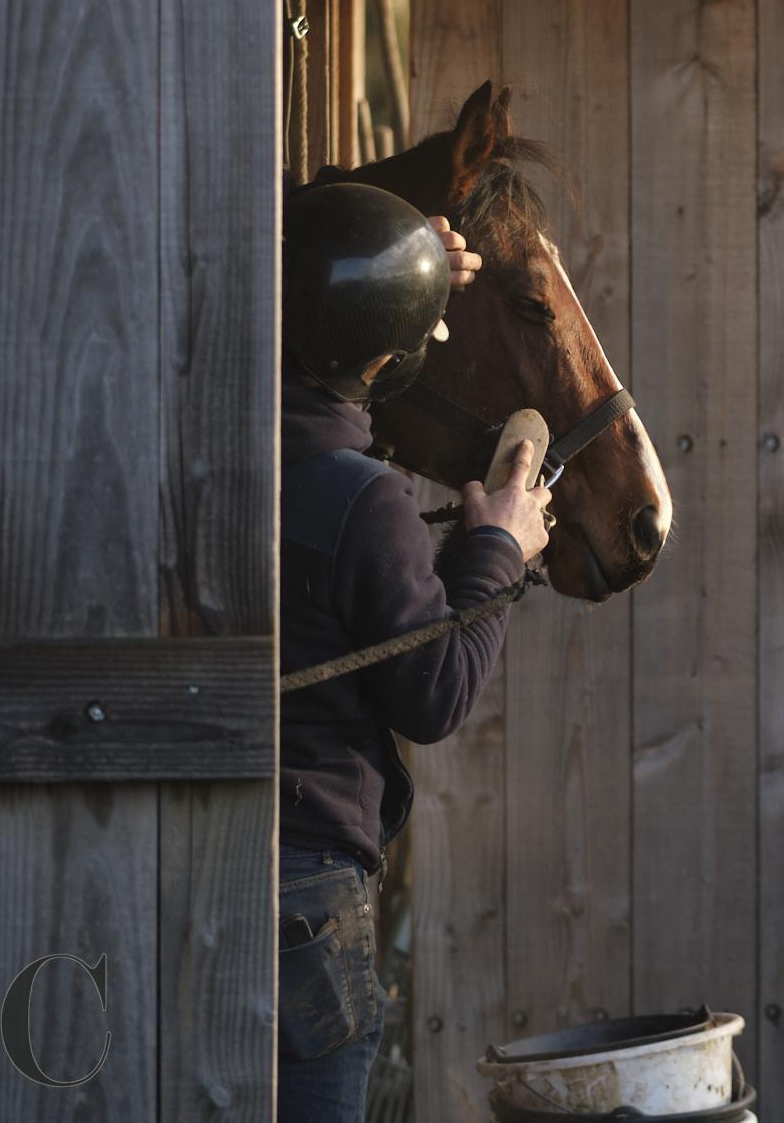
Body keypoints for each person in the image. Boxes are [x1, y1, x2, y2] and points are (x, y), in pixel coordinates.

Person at [275, 181, 551, 1123]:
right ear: (385, 360)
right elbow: (432, 693)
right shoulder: (366, 499)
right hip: (305, 884)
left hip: (167, 861)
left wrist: (391, 261)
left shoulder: (191, 454)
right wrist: (499, 548)